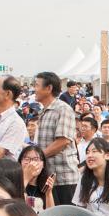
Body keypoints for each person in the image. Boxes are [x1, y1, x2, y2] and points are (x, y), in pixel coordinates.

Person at [34, 71, 81, 208]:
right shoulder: (44, 111)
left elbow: (63, 141)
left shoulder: (63, 109)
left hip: (64, 178)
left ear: (48, 88)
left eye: (36, 85)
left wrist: (38, 157)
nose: (34, 89)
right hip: (48, 177)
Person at [19, 143, 55, 210]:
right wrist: (26, 177)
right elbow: (15, 206)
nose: (31, 163)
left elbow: (51, 215)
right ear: (20, 162)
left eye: (36, 159)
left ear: (43, 164)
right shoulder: (14, 183)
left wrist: (48, 194)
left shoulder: (46, 185)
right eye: (27, 159)